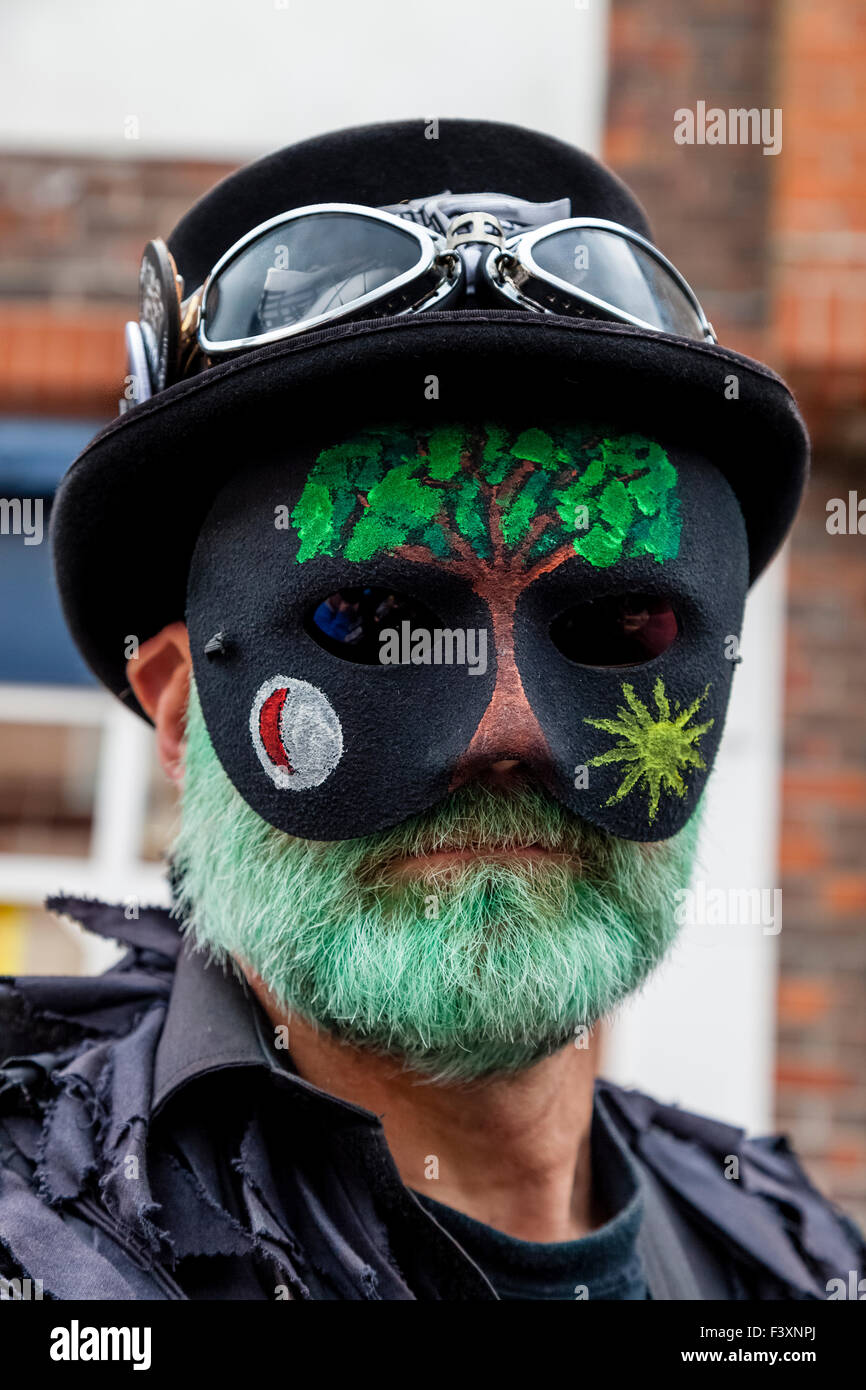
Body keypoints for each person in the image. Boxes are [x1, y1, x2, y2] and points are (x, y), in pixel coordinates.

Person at [1, 118, 862, 1301]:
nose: (507, 729)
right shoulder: (38, 1251)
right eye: (365, 621)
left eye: (615, 631)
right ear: (175, 707)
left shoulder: (789, 1269)